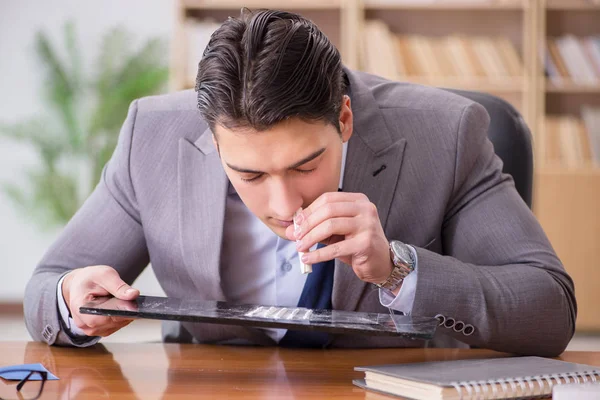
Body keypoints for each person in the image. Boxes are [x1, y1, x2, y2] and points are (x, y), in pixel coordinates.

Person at [24, 9, 575, 356]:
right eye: (250, 174)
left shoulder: (446, 133)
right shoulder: (152, 136)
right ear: (214, 142)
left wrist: (396, 268)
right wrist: (72, 303)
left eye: (305, 165)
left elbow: (549, 310)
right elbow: (48, 284)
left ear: (345, 119)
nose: (285, 203)